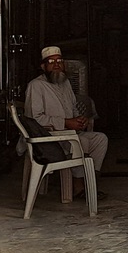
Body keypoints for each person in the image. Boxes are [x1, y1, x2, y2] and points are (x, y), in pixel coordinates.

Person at [23, 47, 108, 199]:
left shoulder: (65, 82)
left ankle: (90, 181)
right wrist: (66, 123)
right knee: (81, 142)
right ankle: (78, 187)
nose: (56, 64)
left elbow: (73, 108)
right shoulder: (36, 86)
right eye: (51, 62)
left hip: (68, 133)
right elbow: (34, 119)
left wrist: (79, 119)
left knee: (100, 139)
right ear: (43, 66)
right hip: (47, 138)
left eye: (60, 61)